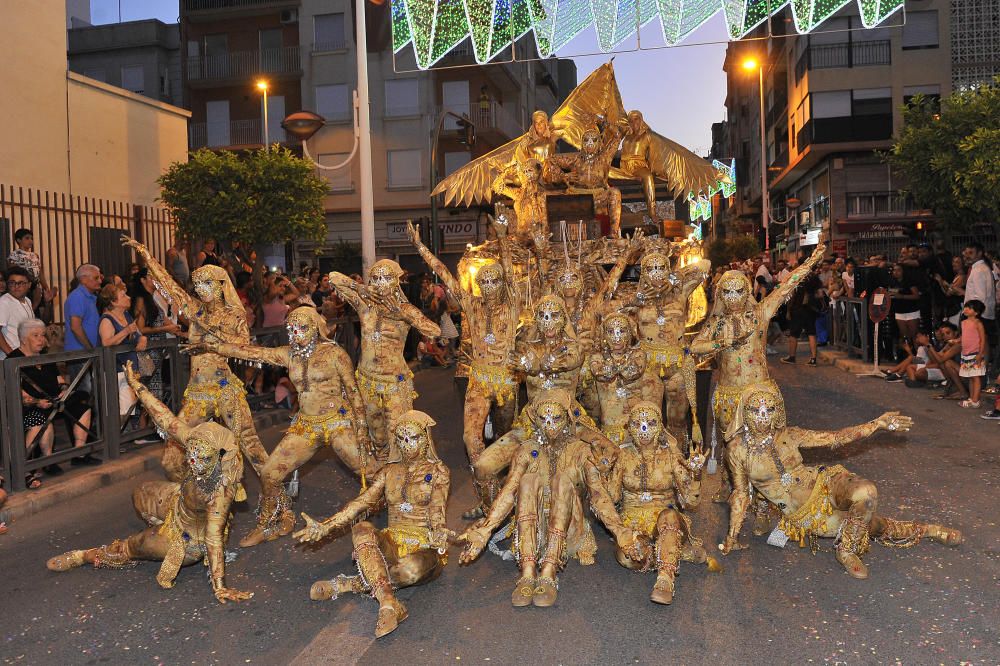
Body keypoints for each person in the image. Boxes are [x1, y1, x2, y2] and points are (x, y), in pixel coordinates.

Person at [46, 363, 253, 605]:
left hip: (188, 539)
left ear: (218, 457)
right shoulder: (196, 441)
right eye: (192, 454)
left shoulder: (221, 492)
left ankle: (87, 554)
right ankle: (158, 522)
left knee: (134, 545)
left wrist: (220, 586)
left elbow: (214, 537)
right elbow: (164, 417)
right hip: (178, 500)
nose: (194, 463)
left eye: (202, 459)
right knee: (140, 493)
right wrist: (137, 386)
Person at [719, 389, 961, 579]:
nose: (763, 417)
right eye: (756, 410)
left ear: (776, 412)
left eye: (769, 410)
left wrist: (876, 424)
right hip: (808, 514)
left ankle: (846, 551)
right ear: (745, 412)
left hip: (826, 482)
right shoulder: (737, 450)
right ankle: (929, 529)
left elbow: (835, 437)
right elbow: (741, 494)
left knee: (866, 492)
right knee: (877, 527)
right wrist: (732, 535)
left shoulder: (789, 434)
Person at [294, 411, 451, 638]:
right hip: (391, 542)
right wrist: (325, 526)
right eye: (402, 439)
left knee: (409, 569)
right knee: (361, 528)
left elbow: (437, 509)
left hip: (425, 549)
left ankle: (347, 584)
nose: (408, 445)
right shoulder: (388, 472)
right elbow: (362, 502)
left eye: (414, 438)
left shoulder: (439, 472)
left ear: (426, 438)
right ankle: (388, 604)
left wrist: (439, 532)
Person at [10, 318, 97, 479]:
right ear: (23, 339)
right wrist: (37, 402)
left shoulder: (45, 357)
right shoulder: (13, 360)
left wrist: (64, 389)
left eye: (43, 335)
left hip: (54, 401)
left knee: (83, 408)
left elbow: (59, 379)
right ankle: (47, 461)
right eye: (35, 335)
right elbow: (18, 393)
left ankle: (79, 454)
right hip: (30, 406)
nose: (41, 339)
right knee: (42, 420)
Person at [98, 283, 148, 423]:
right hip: (115, 370)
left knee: (129, 407)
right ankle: (116, 440)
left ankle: (126, 437)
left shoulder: (126, 315)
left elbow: (137, 333)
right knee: (119, 410)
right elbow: (106, 343)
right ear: (113, 302)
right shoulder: (107, 320)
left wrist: (142, 339)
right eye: (123, 295)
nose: (128, 297)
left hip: (129, 369)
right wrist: (125, 331)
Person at [781, 261, 823, 366]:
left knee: (794, 333)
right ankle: (813, 359)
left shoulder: (797, 278)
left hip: (798, 309)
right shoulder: (814, 278)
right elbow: (820, 294)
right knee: (811, 333)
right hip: (810, 310)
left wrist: (788, 310)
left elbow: (791, 294)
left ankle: (791, 357)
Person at [64, 264, 103, 352]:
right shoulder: (78, 296)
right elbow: (75, 327)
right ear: (83, 280)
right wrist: (90, 350)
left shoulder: (88, 297)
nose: (100, 281)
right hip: (80, 354)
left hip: (85, 353)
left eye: (100, 278)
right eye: (96, 278)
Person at [0, 267, 36, 359]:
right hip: (11, 359)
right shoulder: (4, 302)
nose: (16, 286)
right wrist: (12, 355)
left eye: (21, 283)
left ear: (29, 285)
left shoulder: (28, 301)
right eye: (12, 283)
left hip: (26, 356)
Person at [958, 300, 987, 408]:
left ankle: (975, 401)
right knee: (970, 377)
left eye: (969, 308)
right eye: (965, 307)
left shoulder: (978, 323)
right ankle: (972, 397)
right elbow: (964, 337)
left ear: (976, 312)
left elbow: (983, 339)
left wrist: (980, 354)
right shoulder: (963, 322)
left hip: (975, 353)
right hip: (966, 354)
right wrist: (957, 341)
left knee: (975, 377)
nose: (966, 309)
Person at [888, 263, 921, 358]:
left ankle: (919, 359)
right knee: (905, 337)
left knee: (914, 336)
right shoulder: (892, 282)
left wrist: (902, 296)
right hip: (899, 312)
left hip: (911, 311)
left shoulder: (909, 281)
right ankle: (908, 358)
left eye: (898, 270)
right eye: (894, 270)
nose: (896, 272)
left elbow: (916, 296)